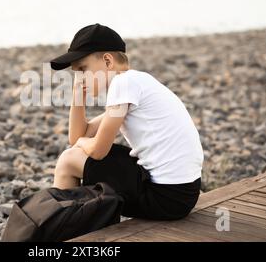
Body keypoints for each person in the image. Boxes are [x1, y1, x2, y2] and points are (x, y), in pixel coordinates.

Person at [49, 23, 204, 220]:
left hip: (166, 198)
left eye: (82, 69)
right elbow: (79, 135)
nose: (79, 78)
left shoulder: (123, 84)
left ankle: (61, 230)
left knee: (67, 160)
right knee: (76, 152)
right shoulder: (135, 83)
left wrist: (81, 143)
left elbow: (97, 150)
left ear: (107, 61)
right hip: (182, 193)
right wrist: (77, 95)